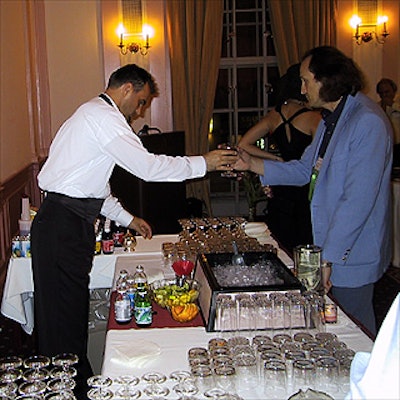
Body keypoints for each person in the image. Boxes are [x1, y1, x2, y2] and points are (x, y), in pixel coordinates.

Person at [30, 64, 238, 399]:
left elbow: (92, 188)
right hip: (62, 226)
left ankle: (73, 386)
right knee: (60, 322)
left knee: (67, 318)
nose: (140, 111)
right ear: (127, 88)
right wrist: (206, 163)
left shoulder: (95, 116)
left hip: (67, 223)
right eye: (141, 101)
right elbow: (148, 168)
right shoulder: (103, 117)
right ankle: (64, 390)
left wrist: (129, 219)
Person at [234, 46, 393, 336]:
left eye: (307, 80)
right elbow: (304, 170)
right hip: (327, 241)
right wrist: (252, 163)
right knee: (335, 324)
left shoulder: (366, 121)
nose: (302, 88)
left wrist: (327, 259)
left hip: (350, 251)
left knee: (354, 329)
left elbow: (356, 201)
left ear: (328, 80)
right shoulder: (330, 119)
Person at [238, 64, 321, 252]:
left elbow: (244, 144)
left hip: (281, 180)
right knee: (305, 236)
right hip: (304, 182)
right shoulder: (315, 118)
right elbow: (318, 155)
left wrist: (276, 161)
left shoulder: (275, 114)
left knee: (280, 236)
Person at [376, 78, 400, 167]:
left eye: (387, 92)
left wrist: (392, 106)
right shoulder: (376, 108)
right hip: (382, 147)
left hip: (398, 146)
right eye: (381, 93)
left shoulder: (397, 107)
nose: (384, 95)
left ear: (393, 92)